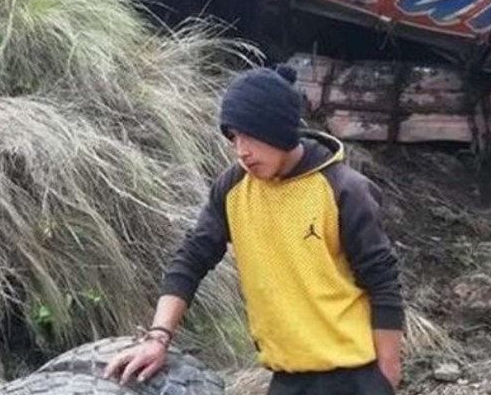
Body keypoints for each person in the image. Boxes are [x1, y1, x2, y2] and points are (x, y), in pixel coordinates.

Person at [105, 65, 405, 394]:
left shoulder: (344, 190)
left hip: (354, 377)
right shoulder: (233, 188)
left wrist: (386, 374)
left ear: (279, 131)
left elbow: (383, 281)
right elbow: (192, 259)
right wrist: (158, 337)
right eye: (234, 137)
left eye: (250, 135)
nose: (241, 150)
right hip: (286, 378)